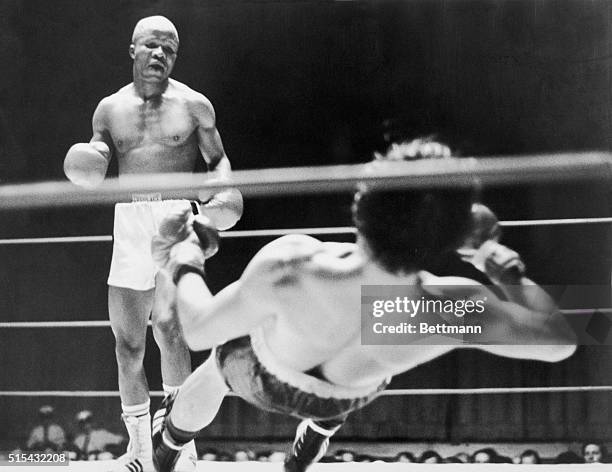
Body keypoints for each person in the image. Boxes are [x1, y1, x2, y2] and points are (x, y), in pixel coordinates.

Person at [148, 143, 576, 472]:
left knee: (221, 362)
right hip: (348, 393)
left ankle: (168, 443)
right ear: (448, 240)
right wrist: (507, 275)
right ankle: (319, 430)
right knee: (374, 325)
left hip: (266, 375)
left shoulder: (293, 266)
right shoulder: (451, 307)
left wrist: (184, 258)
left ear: (360, 208)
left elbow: (200, 328)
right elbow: (560, 342)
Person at [63, 15, 243, 472]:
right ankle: (141, 449)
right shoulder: (109, 109)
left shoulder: (195, 105)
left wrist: (220, 195)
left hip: (173, 214)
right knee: (127, 344)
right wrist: (93, 159)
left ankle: (180, 448)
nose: (160, 54)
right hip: (128, 220)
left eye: (169, 48)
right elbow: (101, 149)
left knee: (169, 329)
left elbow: (218, 163)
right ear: (133, 50)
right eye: (152, 45)